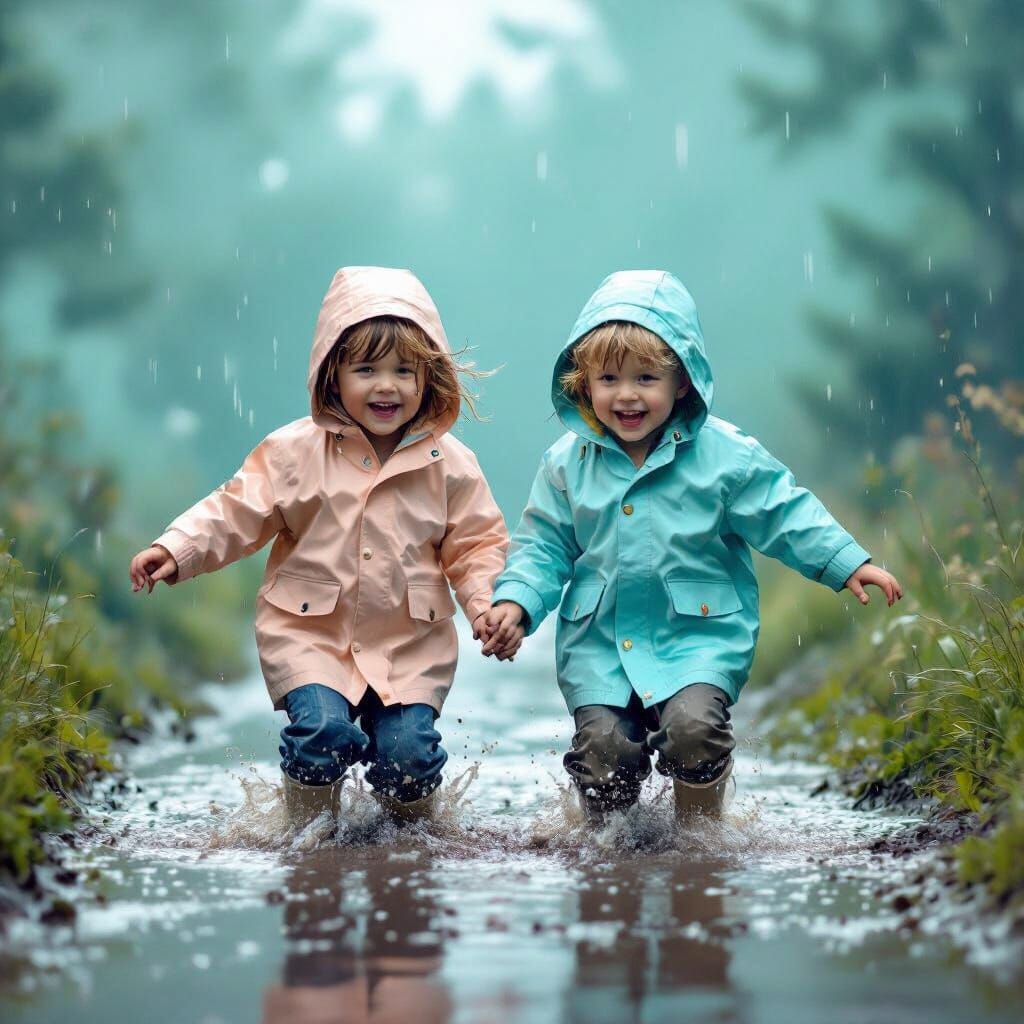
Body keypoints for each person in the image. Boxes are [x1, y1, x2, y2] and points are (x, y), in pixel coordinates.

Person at [481, 270, 902, 821]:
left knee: (693, 731)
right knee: (604, 753)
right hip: (598, 644)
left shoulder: (725, 456)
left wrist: (846, 561)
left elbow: (784, 511)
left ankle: (700, 837)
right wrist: (516, 602)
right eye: (609, 379)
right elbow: (543, 545)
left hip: (698, 637)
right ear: (585, 385)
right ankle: (607, 848)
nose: (626, 395)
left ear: (682, 381)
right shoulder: (566, 463)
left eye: (646, 378)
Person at [129, 267, 508, 826]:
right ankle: (308, 838)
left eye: (405, 371)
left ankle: (417, 843)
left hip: (409, 645)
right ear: (333, 375)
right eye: (367, 369)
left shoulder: (451, 464)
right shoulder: (292, 452)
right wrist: (179, 547)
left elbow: (476, 545)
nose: (387, 386)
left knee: (409, 756)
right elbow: (235, 509)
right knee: (321, 735)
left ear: (429, 378)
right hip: (310, 635)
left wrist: (484, 606)